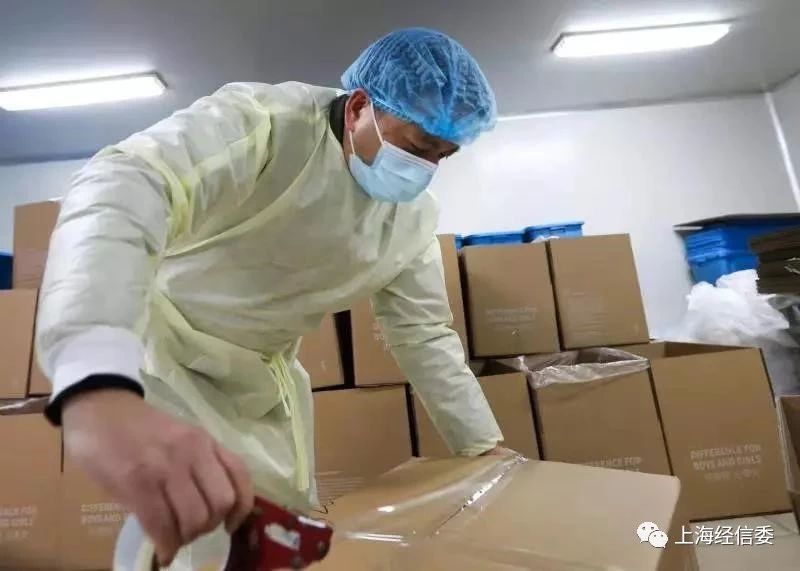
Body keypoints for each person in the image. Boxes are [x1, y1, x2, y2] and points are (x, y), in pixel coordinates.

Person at [37, 27, 504, 566]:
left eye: (443, 156)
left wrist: (482, 446)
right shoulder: (265, 126)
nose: (425, 169)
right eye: (417, 147)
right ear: (358, 108)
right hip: (166, 361)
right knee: (193, 537)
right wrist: (95, 377)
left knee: (280, 539)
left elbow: (423, 334)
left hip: (264, 384)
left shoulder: (411, 221)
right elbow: (128, 179)